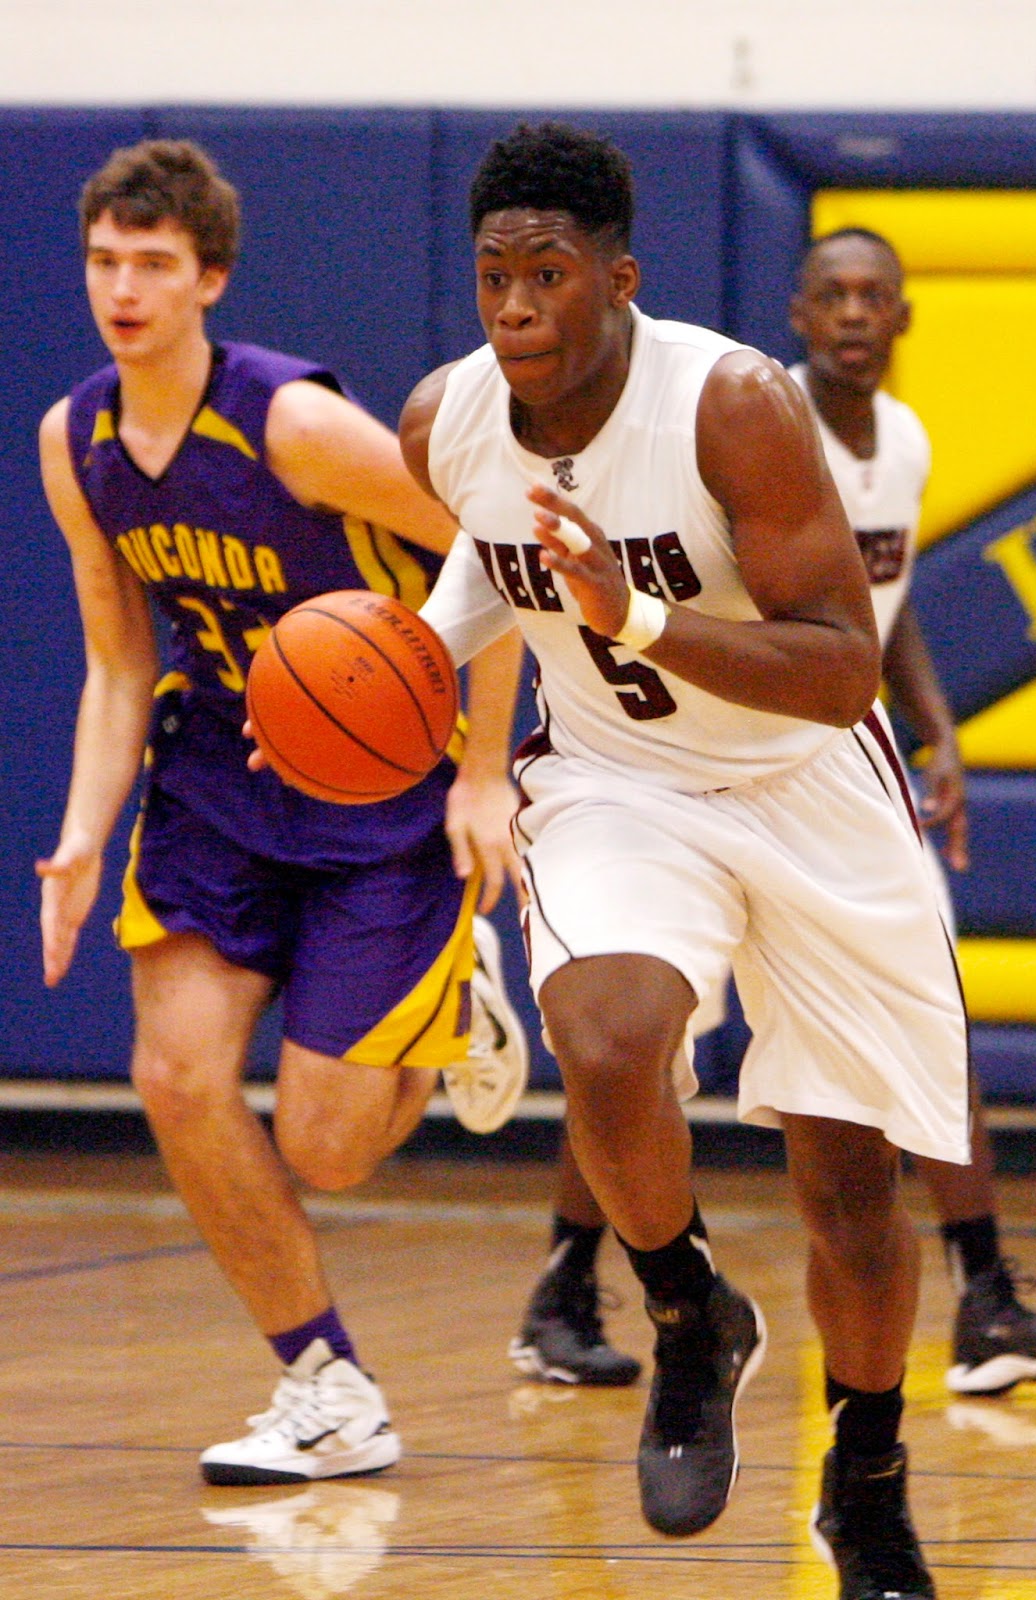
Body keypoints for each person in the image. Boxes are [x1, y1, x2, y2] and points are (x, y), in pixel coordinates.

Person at [401, 121, 970, 1597]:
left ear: (621, 278)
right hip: (617, 782)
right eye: (493, 278)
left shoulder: (731, 403)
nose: (517, 308)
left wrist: (635, 617)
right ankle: (688, 1308)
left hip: (808, 789)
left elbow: (847, 667)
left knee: (850, 1187)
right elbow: (481, 551)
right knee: (605, 1040)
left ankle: (868, 1474)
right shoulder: (442, 420)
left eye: (549, 275)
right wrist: (403, 663)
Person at [511, 225, 1036, 1405]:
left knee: (917, 1031)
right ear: (797, 314)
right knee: (627, 1042)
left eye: (872, 296)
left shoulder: (903, 441)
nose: (851, 314)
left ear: (902, 318)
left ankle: (984, 1296)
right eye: (830, 294)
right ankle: (569, 1284)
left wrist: (935, 723)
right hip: (679, 761)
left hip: (830, 769)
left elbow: (871, 610)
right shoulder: (752, 424)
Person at [36, 139, 528, 1488]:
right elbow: (120, 660)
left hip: (382, 784)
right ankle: (324, 1385)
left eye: (153, 264)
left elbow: (488, 546)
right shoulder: (74, 441)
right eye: (105, 261)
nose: (124, 288)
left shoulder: (293, 426)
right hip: (217, 784)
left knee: (328, 1146)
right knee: (175, 1075)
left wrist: (484, 774)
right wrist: (82, 835)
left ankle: (454, 1004)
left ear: (210, 280)